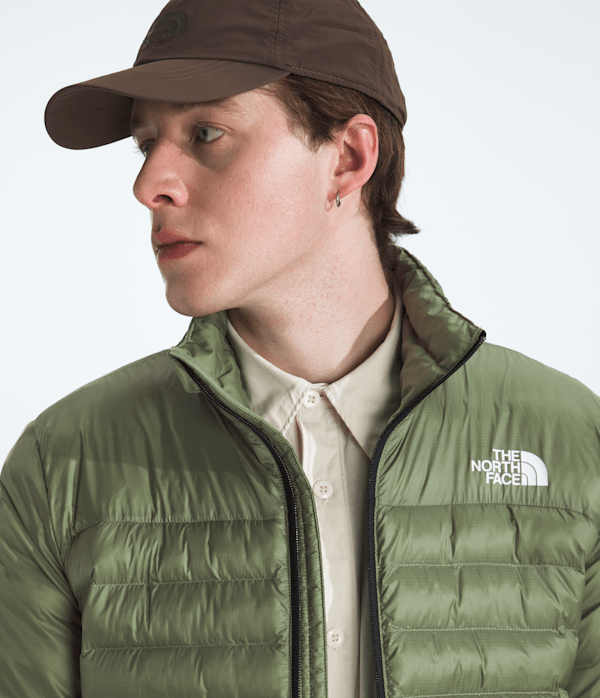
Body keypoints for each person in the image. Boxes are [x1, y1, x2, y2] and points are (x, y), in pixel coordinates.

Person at [1, 0, 599, 696]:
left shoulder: (569, 445)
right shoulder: (63, 466)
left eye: (206, 133)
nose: (147, 186)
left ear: (348, 158)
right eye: (146, 144)